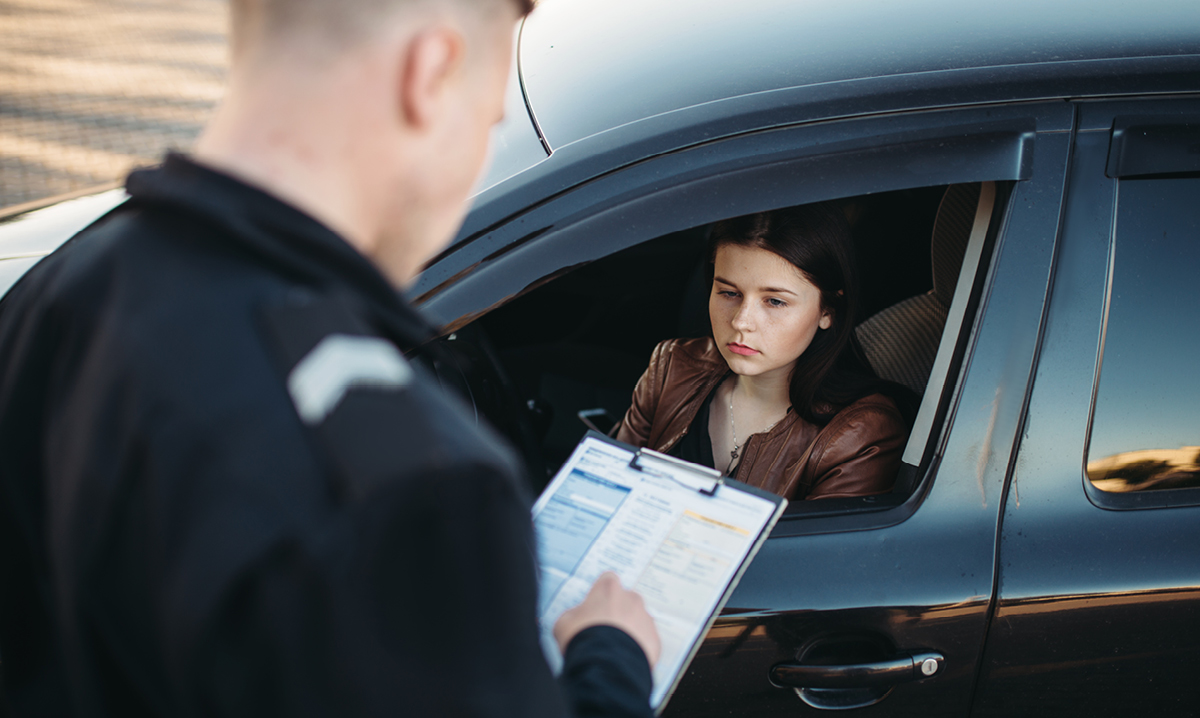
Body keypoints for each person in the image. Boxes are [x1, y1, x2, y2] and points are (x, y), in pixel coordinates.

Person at [0, 0, 660, 716]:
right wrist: (609, 665)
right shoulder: (421, 493)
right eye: (489, 123)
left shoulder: (60, 288)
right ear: (431, 71)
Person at [616, 204, 914, 500]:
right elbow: (607, 490)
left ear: (828, 310)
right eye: (729, 293)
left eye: (775, 302)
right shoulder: (672, 367)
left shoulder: (859, 435)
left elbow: (811, 549)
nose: (741, 322)